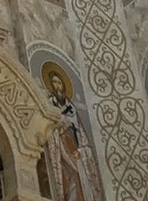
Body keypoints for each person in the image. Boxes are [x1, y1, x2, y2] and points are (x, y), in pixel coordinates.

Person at [44, 68, 103, 201]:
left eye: (59, 83)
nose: (57, 86)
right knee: (71, 177)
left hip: (75, 150)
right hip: (62, 147)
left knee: (79, 179)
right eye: (54, 82)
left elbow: (80, 132)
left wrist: (81, 150)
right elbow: (51, 128)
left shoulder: (71, 108)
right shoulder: (50, 103)